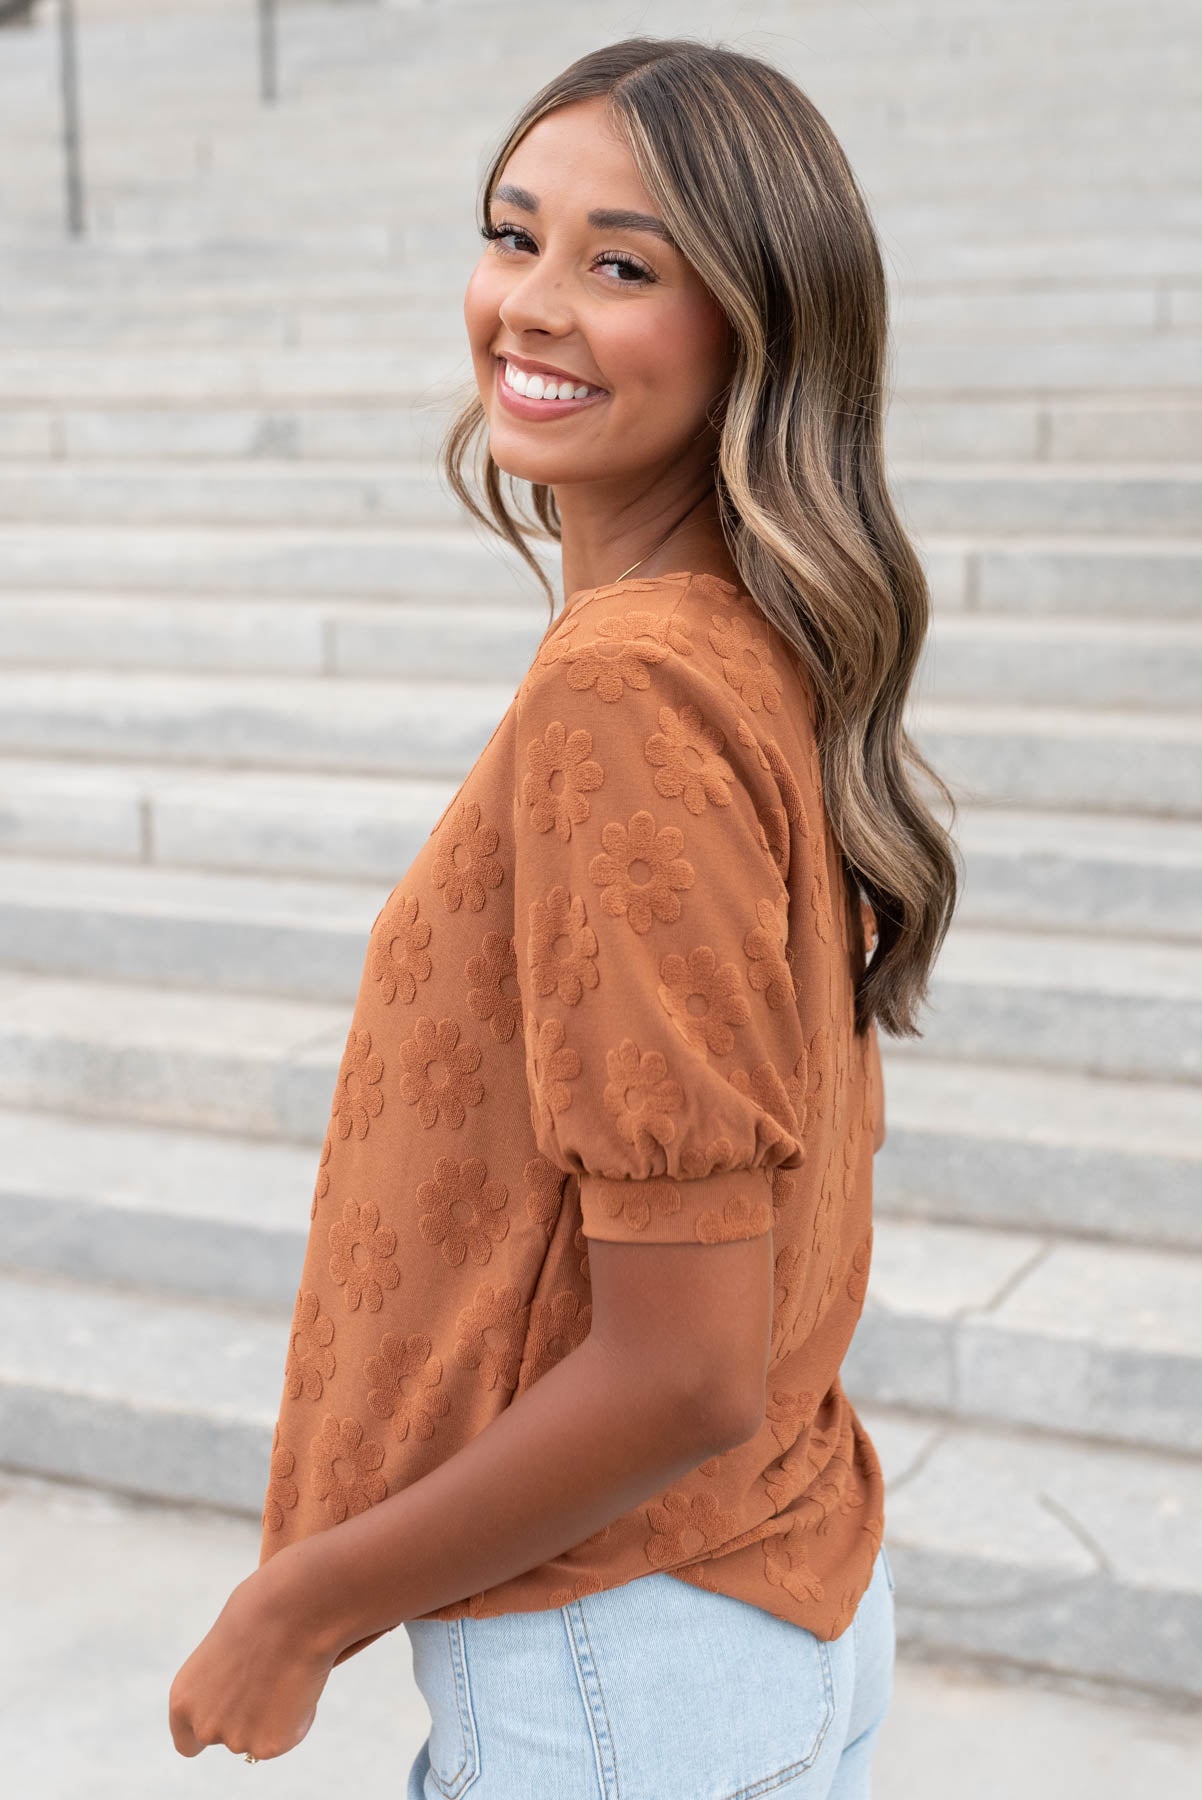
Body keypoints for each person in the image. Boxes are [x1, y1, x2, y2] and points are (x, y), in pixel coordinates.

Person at [168, 35, 959, 1796]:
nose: (528, 306)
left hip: (623, 1661)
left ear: (755, 325)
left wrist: (297, 1609)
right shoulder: (743, 636)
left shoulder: (634, 689)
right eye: (510, 235)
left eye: (621, 266)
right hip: (745, 1612)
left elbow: (685, 1369)